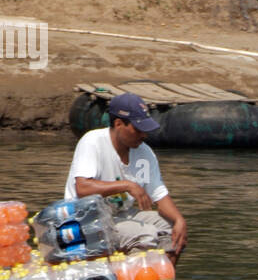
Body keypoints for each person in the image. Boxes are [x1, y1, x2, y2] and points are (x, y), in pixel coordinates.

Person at [65, 92, 188, 262]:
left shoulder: (145, 153)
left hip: (124, 215)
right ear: (118, 123)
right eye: (138, 129)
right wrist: (127, 185)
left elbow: (158, 193)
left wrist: (179, 220)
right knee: (146, 234)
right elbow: (83, 188)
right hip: (88, 220)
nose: (144, 135)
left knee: (173, 229)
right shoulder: (92, 142)